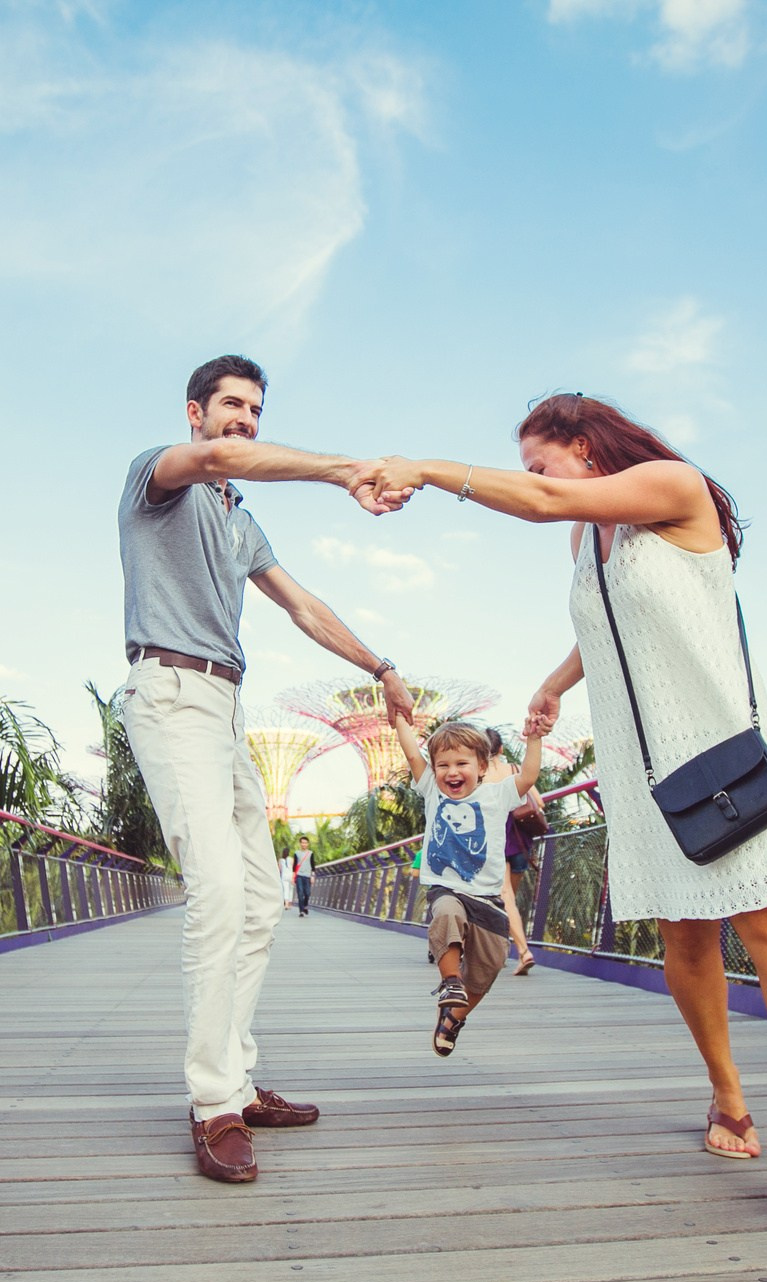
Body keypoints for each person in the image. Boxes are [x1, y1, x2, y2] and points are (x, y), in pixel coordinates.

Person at [354, 393, 767, 1206]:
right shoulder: (589, 537)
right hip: (642, 777)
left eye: (542, 460)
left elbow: (542, 501)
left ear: (581, 445)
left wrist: (427, 470)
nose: (537, 477)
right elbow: (606, 617)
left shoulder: (674, 486)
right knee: (685, 938)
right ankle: (730, 1100)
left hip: (717, 753)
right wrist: (555, 682)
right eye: (533, 466)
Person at [116, 354, 416, 1185]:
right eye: (232, 405)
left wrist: (380, 666)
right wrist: (339, 469)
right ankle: (211, 1102)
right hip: (172, 690)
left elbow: (302, 605)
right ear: (194, 411)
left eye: (254, 408)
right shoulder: (160, 477)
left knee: (261, 898)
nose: (244, 418)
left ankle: (237, 1081)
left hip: (225, 706)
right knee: (215, 890)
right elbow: (214, 460)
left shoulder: (239, 517)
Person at [390, 714, 545, 1056]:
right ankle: (449, 983)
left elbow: (530, 776)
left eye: (462, 763)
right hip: (446, 887)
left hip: (487, 897)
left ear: (483, 766)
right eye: (442, 765)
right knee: (445, 914)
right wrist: (400, 718)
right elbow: (413, 754)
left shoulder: (497, 795)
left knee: (489, 965)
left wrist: (534, 739)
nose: (452, 772)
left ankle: (453, 1019)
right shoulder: (431, 789)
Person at [482, 727, 540, 975]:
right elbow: (540, 800)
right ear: (502, 749)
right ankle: (504, 946)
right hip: (521, 842)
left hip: (499, 840)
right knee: (508, 899)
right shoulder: (514, 771)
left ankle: (523, 951)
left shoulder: (481, 776)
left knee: (506, 899)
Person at [290, 835, 315, 917]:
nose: (304, 844)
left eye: (305, 843)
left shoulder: (310, 853)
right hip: (299, 875)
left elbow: (313, 865)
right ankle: (301, 911)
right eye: (302, 843)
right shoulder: (296, 853)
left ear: (308, 844)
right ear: (300, 844)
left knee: (307, 893)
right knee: (300, 893)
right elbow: (294, 866)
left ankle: (305, 906)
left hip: (307, 875)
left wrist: (312, 876)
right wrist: (293, 877)